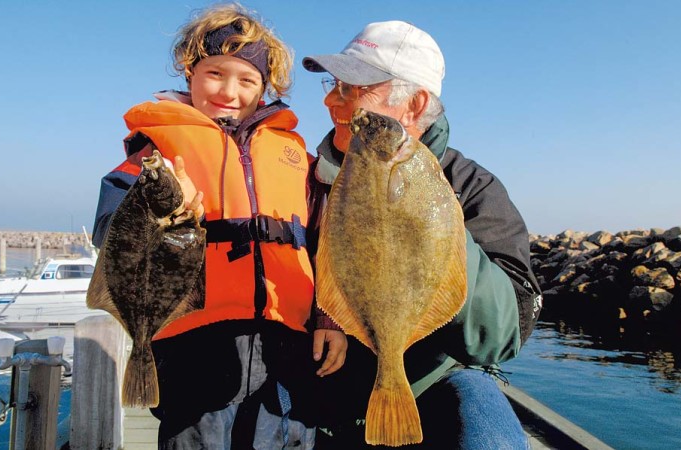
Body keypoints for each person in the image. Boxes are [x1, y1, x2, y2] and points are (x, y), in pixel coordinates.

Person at [91, 4, 347, 449]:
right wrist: (156, 211)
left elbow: (326, 245)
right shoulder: (156, 152)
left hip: (287, 345)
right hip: (192, 340)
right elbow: (108, 228)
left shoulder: (295, 157)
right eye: (214, 73)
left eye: (247, 80)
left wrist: (330, 317)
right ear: (189, 71)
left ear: (265, 88)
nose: (230, 91)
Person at [302, 21, 543, 449]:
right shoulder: (301, 178)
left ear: (413, 106)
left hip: (431, 381)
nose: (329, 100)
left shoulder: (470, 186)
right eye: (334, 85)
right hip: (320, 381)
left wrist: (434, 219)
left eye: (353, 90)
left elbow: (502, 336)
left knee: (488, 424)